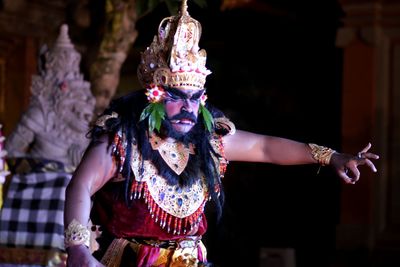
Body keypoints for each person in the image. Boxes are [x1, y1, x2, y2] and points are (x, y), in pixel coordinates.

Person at [63, 1, 379, 266]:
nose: (188, 108)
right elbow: (81, 184)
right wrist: (77, 248)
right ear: (155, 95)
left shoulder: (208, 140)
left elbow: (265, 148)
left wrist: (330, 156)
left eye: (195, 98)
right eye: (176, 98)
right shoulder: (124, 140)